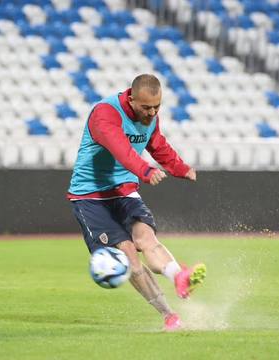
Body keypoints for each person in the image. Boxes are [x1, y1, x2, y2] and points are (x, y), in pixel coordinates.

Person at [67, 74, 206, 331]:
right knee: (129, 253)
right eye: (146, 107)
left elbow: (157, 144)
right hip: (90, 196)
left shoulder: (149, 116)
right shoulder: (105, 114)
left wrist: (180, 168)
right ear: (131, 98)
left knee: (145, 238)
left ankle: (179, 276)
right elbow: (121, 149)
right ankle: (169, 315)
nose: (152, 112)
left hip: (124, 190)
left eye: (157, 107)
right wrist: (145, 170)